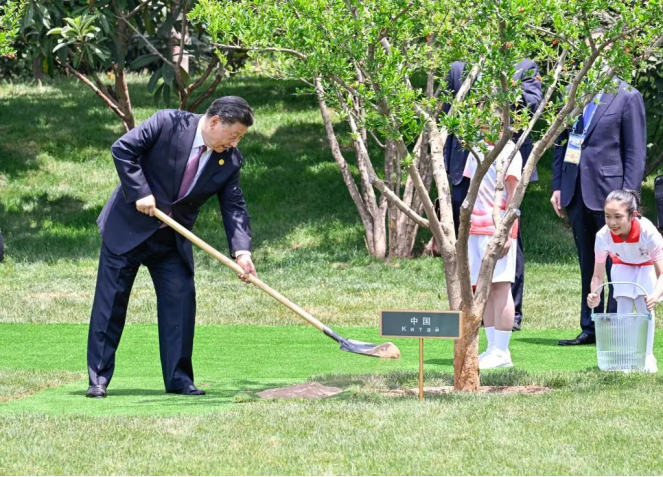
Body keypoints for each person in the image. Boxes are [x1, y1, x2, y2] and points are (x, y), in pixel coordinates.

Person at [86, 96, 257, 398]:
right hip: (127, 229)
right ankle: (98, 379)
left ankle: (179, 379)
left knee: (180, 303)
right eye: (234, 135)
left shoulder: (229, 160)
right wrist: (140, 191)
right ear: (215, 121)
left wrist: (242, 252)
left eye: (240, 137)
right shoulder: (167, 123)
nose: (235, 143)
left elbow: (234, 207)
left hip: (172, 240)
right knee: (111, 304)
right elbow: (123, 149)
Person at [444, 59, 542, 331]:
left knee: (503, 269)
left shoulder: (522, 66)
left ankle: (510, 322)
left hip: (500, 177)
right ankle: (476, 322)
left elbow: (533, 105)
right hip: (466, 164)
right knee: (473, 263)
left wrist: (505, 85)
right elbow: (447, 120)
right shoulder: (458, 68)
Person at [552, 79, 647, 346]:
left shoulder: (627, 95)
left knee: (616, 264)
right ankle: (590, 326)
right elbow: (563, 141)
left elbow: (635, 151)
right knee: (587, 262)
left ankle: (616, 325)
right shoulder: (574, 90)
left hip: (611, 194)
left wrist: (628, 197)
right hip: (576, 190)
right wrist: (558, 185)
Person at [587, 190, 662, 373]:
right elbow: (597, 275)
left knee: (645, 308)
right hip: (622, 265)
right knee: (623, 307)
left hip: (646, 265)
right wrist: (594, 294)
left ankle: (647, 357)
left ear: (633, 215)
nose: (612, 222)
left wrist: (655, 294)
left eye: (618, 217)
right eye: (607, 216)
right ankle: (626, 358)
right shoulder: (602, 236)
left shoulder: (648, 231)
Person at [464, 136, 523, 370]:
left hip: (497, 228)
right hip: (475, 228)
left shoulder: (510, 151)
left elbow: (514, 195)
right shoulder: (475, 147)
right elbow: (473, 187)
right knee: (483, 288)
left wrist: (507, 231)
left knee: (501, 287)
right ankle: (491, 349)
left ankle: (502, 351)